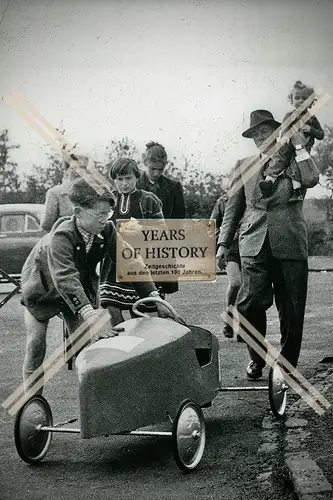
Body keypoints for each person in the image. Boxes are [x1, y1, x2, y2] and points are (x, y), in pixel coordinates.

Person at [21, 174, 179, 396]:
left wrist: (155, 297)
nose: (105, 219)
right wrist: (93, 316)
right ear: (78, 213)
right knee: (36, 344)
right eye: (100, 214)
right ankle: (32, 402)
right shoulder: (61, 237)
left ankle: (94, 399)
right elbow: (65, 278)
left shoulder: (107, 230)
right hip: (42, 289)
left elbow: (130, 261)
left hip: (77, 291)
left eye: (108, 213)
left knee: (86, 346)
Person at [216, 109, 319, 380]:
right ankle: (257, 358)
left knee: (292, 307)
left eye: (266, 132)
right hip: (252, 242)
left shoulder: (296, 157)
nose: (261, 138)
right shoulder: (242, 165)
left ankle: (286, 366)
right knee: (248, 305)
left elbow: (311, 178)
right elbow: (232, 209)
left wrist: (299, 145)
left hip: (290, 241)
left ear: (277, 132)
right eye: (256, 134)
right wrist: (223, 243)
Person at [99, 157, 165, 326]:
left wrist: (142, 230)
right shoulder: (108, 200)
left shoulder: (148, 199)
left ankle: (141, 349)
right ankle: (122, 347)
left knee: (139, 313)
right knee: (112, 308)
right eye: (119, 179)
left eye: (128, 178)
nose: (124, 183)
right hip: (112, 264)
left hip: (141, 261)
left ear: (137, 177)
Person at [258, 81, 324, 202]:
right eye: (297, 98)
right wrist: (284, 136)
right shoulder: (289, 115)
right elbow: (283, 129)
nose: (300, 100)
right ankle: (268, 182)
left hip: (302, 148)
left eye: (304, 98)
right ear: (291, 99)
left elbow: (321, 134)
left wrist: (311, 129)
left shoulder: (312, 118)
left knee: (296, 164)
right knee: (279, 158)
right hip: (288, 145)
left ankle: (296, 191)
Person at [137, 141, 185, 296]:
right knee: (137, 285)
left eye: (161, 169)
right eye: (152, 169)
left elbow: (179, 218)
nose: (157, 173)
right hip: (137, 243)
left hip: (163, 245)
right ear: (145, 163)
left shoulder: (174, 186)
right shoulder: (134, 184)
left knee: (159, 290)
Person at [210, 192, 243, 341]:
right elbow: (211, 226)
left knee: (249, 289)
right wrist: (226, 234)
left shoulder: (252, 198)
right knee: (236, 283)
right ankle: (229, 320)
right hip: (230, 248)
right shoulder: (222, 201)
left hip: (250, 247)